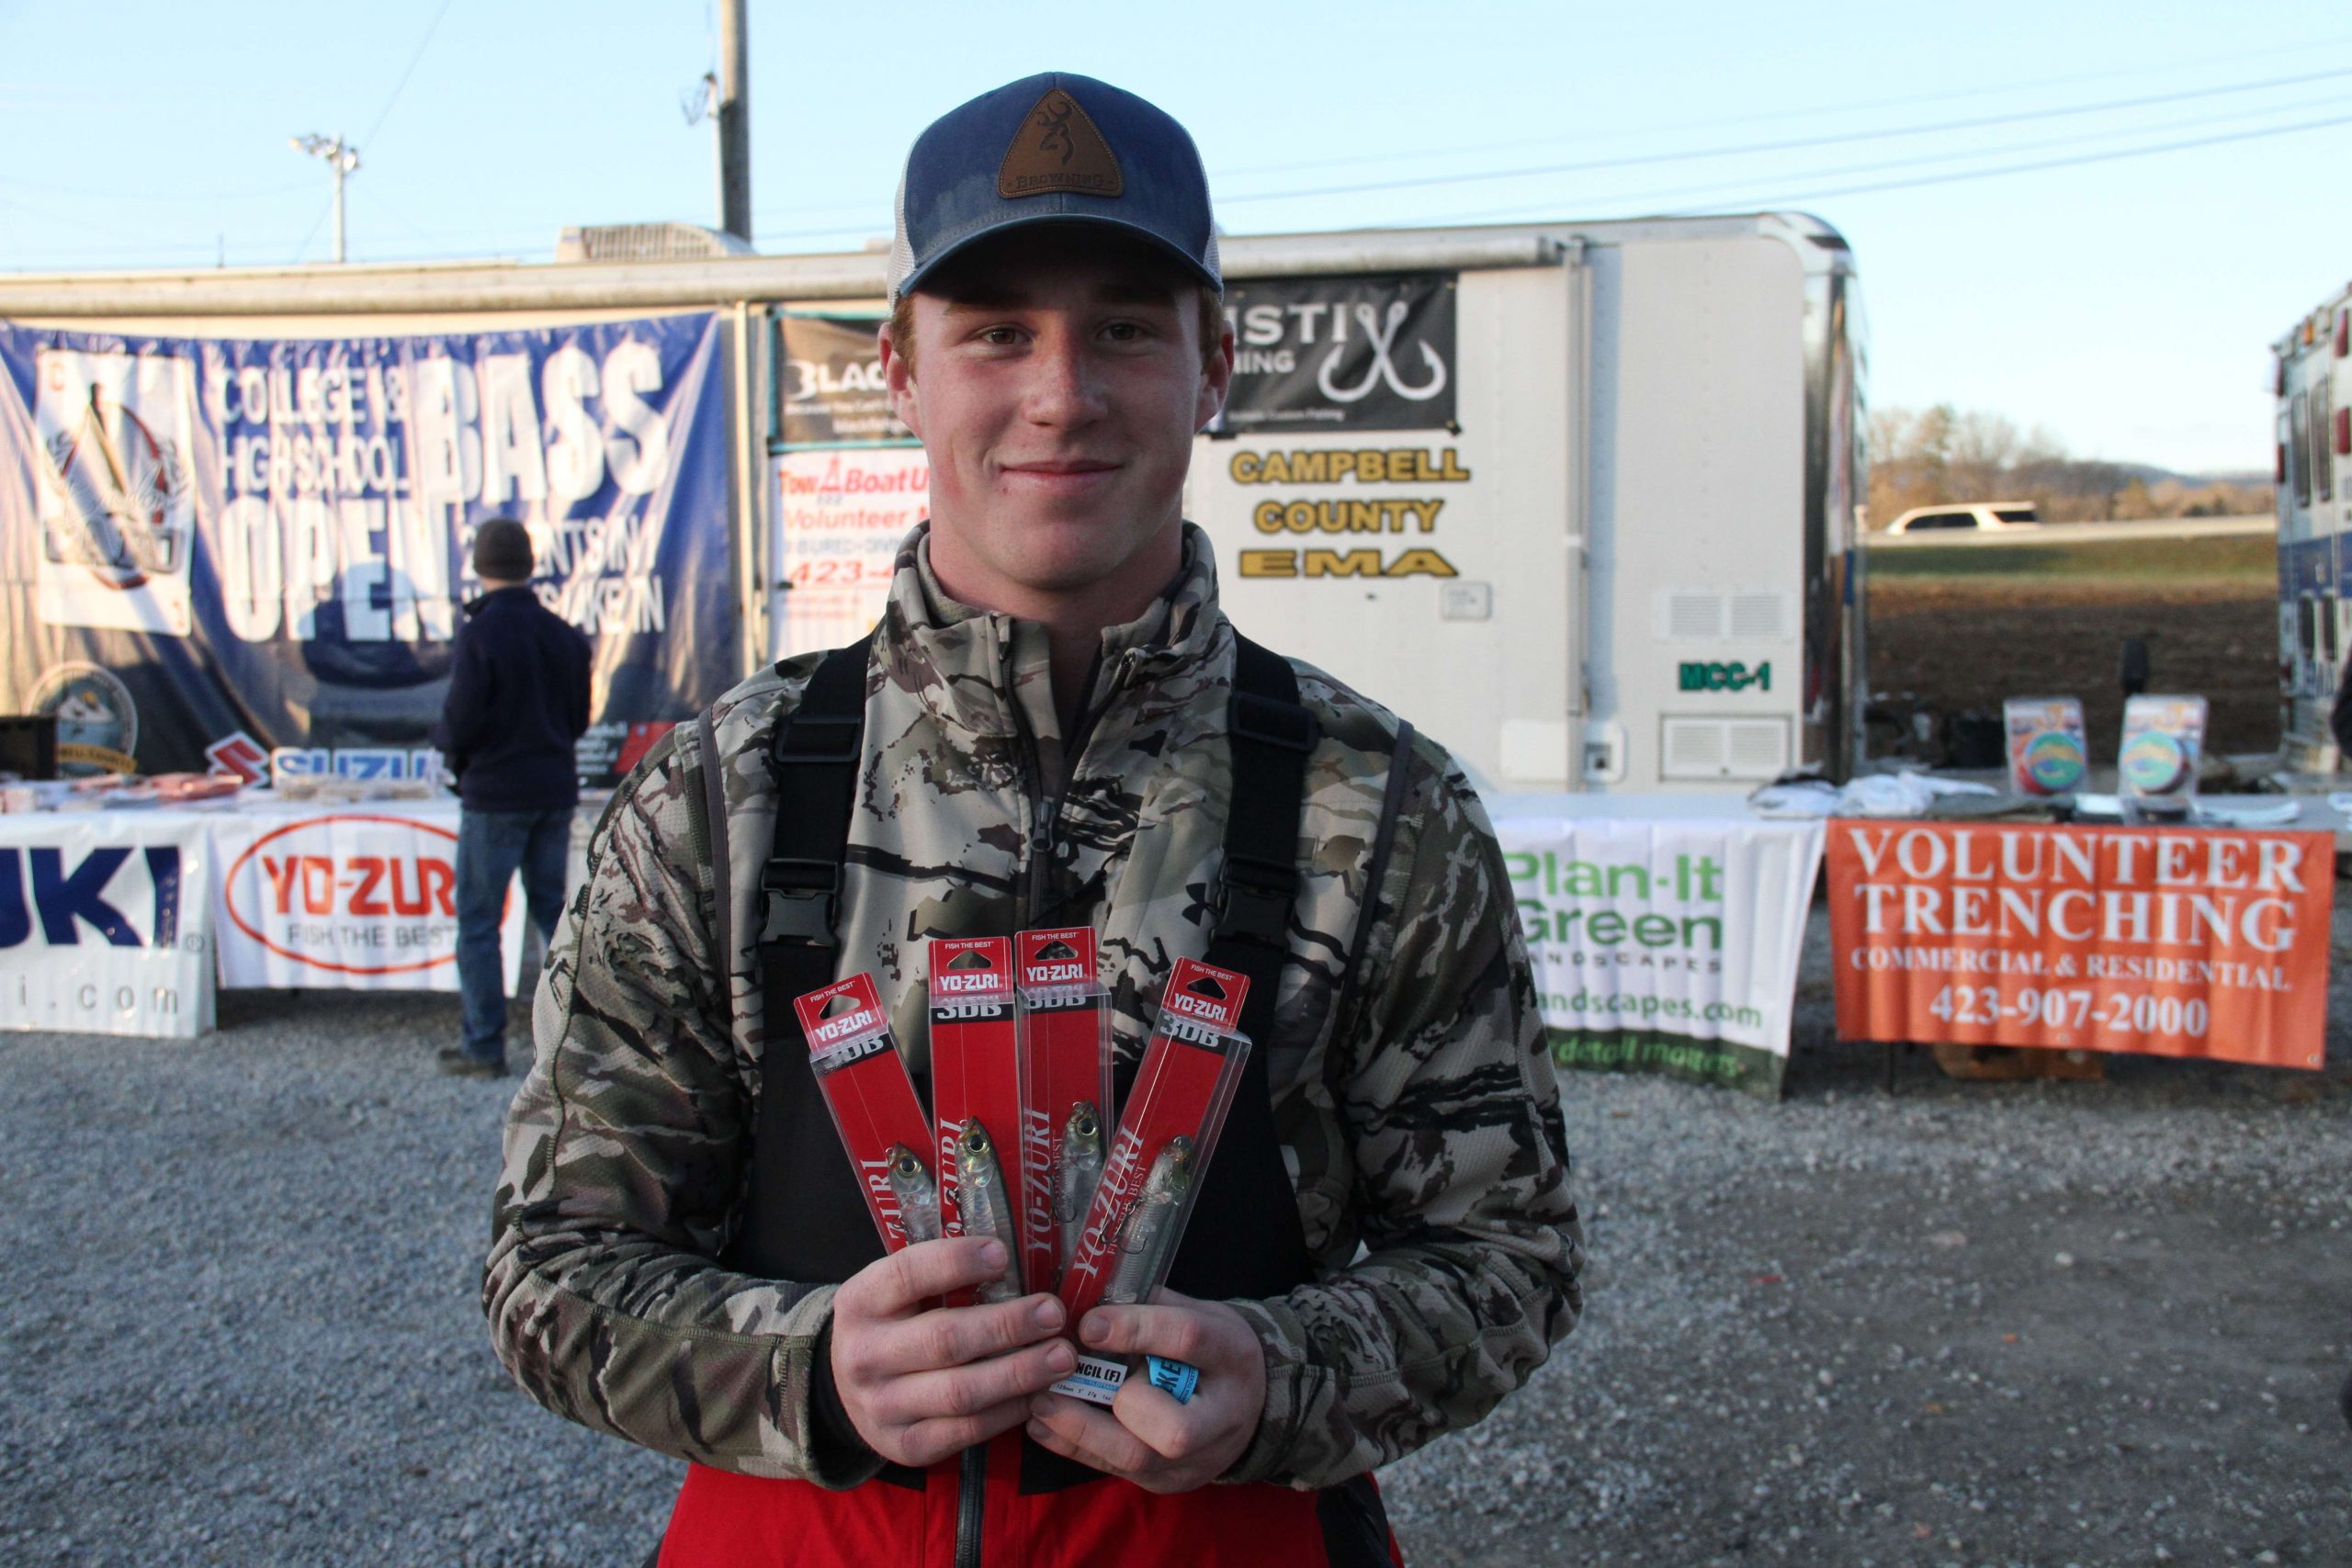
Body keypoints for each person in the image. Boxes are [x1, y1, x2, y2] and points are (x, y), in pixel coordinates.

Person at [485, 73, 1582, 1565]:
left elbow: (1511, 1254)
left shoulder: (1379, 804)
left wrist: (1287, 1376)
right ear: (901, 369)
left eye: (1124, 327)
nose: (1062, 394)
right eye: (997, 330)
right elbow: (550, 1266)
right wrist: (805, 1368)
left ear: (1214, 366)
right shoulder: (716, 797)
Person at [429, 517, 591, 1077]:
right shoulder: (563, 634)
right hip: (553, 790)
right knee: (557, 920)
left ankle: (484, 1046)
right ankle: (580, 1041)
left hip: (495, 797)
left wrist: (452, 755)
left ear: (479, 567)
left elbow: (462, 719)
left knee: (479, 921)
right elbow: (577, 720)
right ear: (529, 564)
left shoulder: (481, 633)